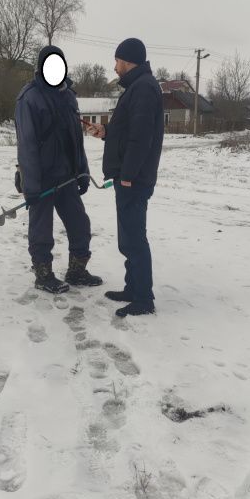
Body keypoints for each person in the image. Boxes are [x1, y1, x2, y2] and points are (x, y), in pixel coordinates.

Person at [14, 45, 103, 294]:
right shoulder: (29, 98)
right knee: (41, 230)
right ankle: (43, 275)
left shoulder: (68, 96)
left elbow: (76, 138)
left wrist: (83, 171)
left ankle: (76, 270)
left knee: (79, 224)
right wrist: (30, 185)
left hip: (67, 177)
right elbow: (27, 145)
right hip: (41, 178)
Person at [88, 38, 164, 317]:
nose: (115, 66)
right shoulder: (137, 87)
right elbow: (127, 129)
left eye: (117, 60)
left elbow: (141, 138)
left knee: (134, 238)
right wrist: (105, 132)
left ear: (128, 60)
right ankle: (133, 288)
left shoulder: (143, 88)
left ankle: (144, 298)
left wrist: (129, 174)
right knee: (128, 237)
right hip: (128, 177)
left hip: (134, 178)